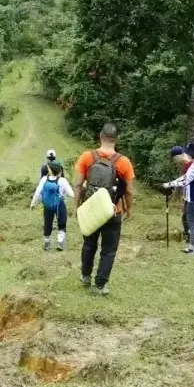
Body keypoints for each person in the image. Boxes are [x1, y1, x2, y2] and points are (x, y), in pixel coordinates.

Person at [75, 122, 136, 295]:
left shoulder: (87, 157)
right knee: (108, 249)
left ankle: (85, 276)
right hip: (112, 211)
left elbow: (79, 185)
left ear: (100, 136)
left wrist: (77, 207)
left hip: (91, 208)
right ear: (116, 140)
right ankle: (100, 285)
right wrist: (128, 210)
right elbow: (129, 191)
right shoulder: (123, 162)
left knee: (89, 244)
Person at [161, 142, 194, 255]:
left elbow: (185, 181)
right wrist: (170, 183)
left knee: (193, 224)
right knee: (190, 222)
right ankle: (191, 246)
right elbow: (185, 177)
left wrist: (169, 185)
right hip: (190, 198)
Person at [30, 160, 74, 251]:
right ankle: (60, 242)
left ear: (50, 170)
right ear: (60, 171)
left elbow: (38, 192)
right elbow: (72, 194)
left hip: (47, 205)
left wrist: (33, 203)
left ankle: (47, 243)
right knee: (62, 223)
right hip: (59, 205)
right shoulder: (62, 181)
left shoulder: (44, 179)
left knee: (47, 223)